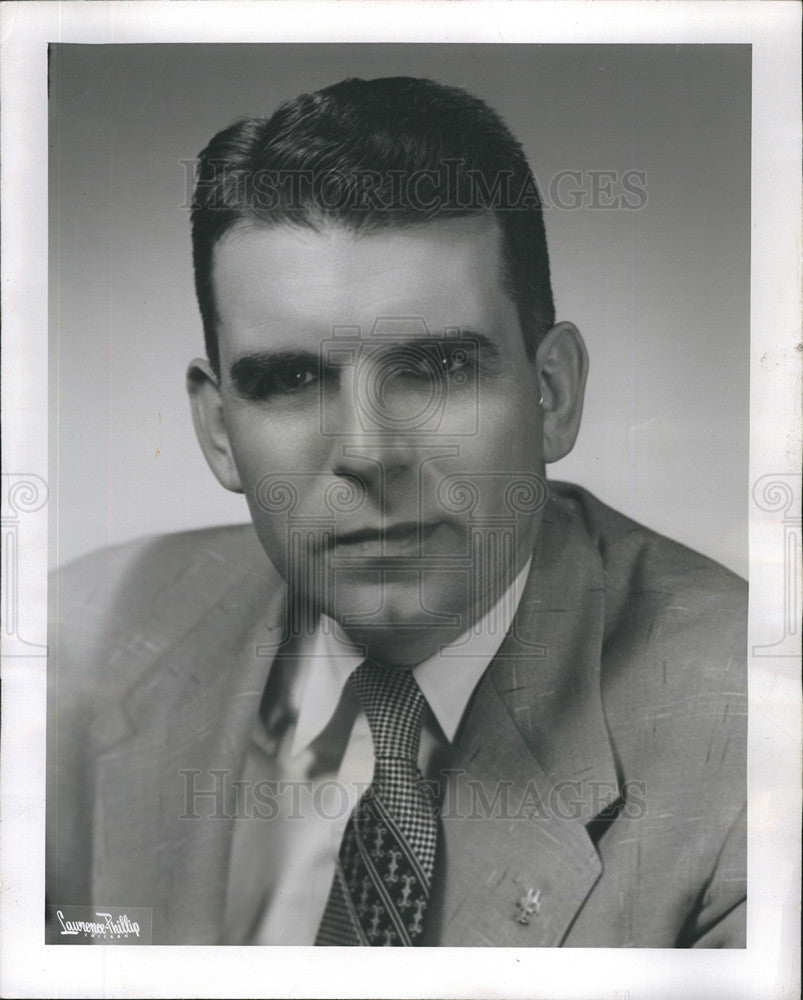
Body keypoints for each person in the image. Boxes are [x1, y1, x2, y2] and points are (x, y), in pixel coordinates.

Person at [46, 76, 746, 947]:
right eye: (290, 381)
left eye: (437, 368)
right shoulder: (73, 646)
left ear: (553, 393)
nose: (370, 452)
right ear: (219, 430)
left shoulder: (749, 753)